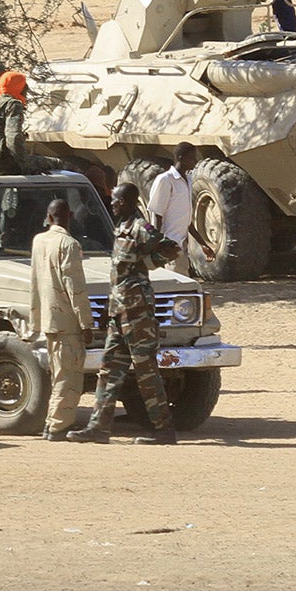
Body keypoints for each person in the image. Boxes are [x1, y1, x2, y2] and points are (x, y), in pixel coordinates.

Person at [70, 181, 180, 445]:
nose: (113, 204)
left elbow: (171, 248)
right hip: (119, 312)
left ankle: (164, 430)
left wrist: (145, 263)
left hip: (138, 313)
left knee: (146, 371)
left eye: (118, 200)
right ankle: (98, 428)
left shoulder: (142, 228)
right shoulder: (120, 228)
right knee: (109, 369)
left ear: (130, 202)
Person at [28, 197, 93, 441]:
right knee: (69, 377)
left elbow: (35, 282)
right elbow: (75, 288)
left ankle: (51, 423)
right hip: (68, 323)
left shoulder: (39, 241)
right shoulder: (69, 244)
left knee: (58, 374)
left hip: (49, 320)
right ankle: (57, 426)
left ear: (49, 217)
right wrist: (86, 324)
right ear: (70, 217)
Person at [146, 142, 204, 275]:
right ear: (180, 157)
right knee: (178, 285)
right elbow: (157, 214)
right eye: (191, 158)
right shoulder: (166, 180)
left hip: (181, 244)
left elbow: (186, 219)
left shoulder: (188, 180)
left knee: (183, 284)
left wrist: (203, 244)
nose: (195, 161)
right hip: (169, 245)